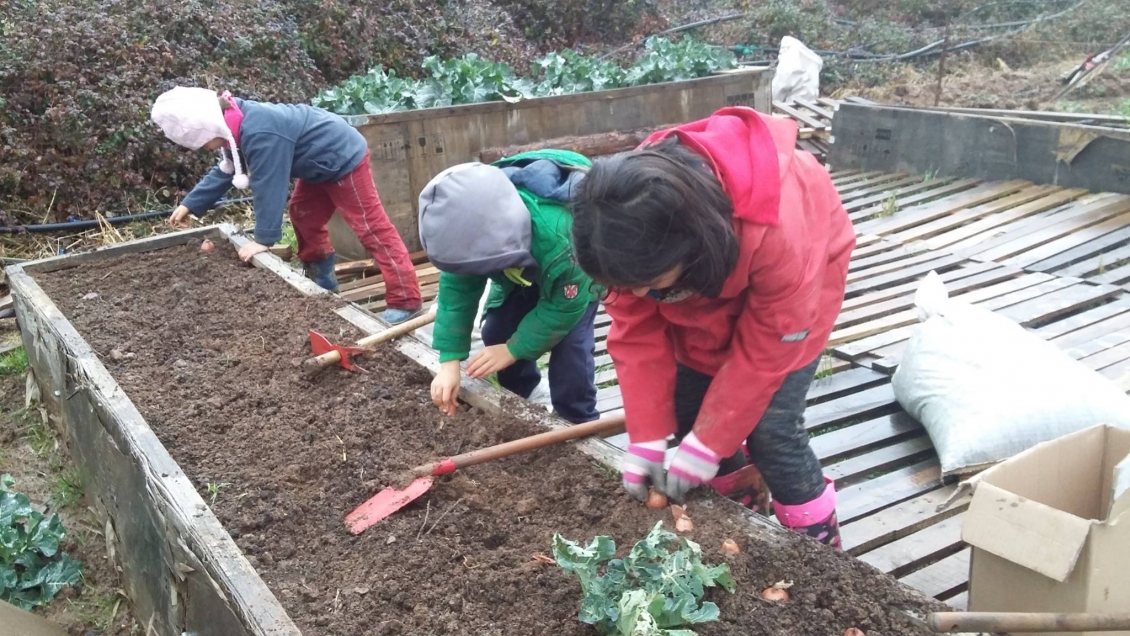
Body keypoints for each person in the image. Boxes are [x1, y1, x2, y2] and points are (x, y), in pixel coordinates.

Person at [571, 106, 855, 548]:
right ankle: (736, 519)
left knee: (772, 432)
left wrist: (709, 444)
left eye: (649, 286)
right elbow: (635, 334)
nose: (639, 296)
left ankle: (822, 551)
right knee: (687, 408)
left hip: (797, 296)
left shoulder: (777, 224)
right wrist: (647, 438)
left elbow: (768, 346)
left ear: (695, 243)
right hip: (696, 282)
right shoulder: (621, 225)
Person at [150, 86, 422, 324]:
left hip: (342, 157)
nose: (207, 148)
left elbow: (269, 186)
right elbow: (227, 169)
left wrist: (264, 240)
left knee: (370, 227)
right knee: (303, 214)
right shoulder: (233, 124)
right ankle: (322, 281)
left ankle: (406, 301)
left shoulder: (260, 131)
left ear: (206, 126)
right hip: (317, 164)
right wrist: (191, 204)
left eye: (204, 143)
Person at [420, 151, 601, 424]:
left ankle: (578, 421)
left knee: (571, 353)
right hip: (520, 273)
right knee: (497, 330)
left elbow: (565, 308)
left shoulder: (560, 235)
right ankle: (523, 395)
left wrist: (513, 350)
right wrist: (449, 362)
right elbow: (457, 293)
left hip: (576, 283)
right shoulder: (468, 228)